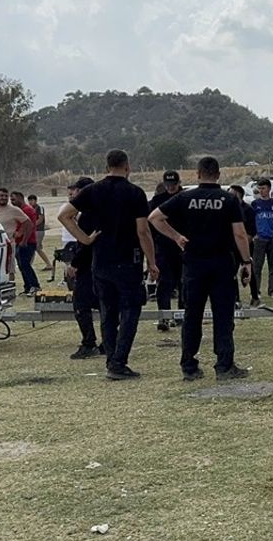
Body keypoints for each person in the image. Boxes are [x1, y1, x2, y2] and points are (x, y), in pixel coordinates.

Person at [148, 156, 252, 382]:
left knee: (192, 315)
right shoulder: (229, 199)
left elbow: (154, 217)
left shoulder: (185, 197)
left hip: (194, 264)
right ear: (218, 174)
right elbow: (240, 234)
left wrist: (176, 237)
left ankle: (189, 365)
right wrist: (246, 262)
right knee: (223, 316)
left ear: (197, 174)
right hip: (221, 263)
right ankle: (224, 365)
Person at [59, 149, 158, 381]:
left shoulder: (93, 190)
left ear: (106, 167)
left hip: (100, 261)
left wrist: (84, 239)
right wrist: (152, 261)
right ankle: (119, 361)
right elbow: (142, 231)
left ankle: (111, 358)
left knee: (108, 312)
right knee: (131, 310)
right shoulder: (135, 193)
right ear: (128, 166)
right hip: (127, 260)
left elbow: (64, 215)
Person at [62, 177, 101, 359]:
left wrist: (75, 264)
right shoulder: (100, 211)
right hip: (102, 264)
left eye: (77, 191)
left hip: (88, 267)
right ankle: (108, 341)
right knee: (104, 304)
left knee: (81, 305)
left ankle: (89, 342)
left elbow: (86, 245)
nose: (74, 194)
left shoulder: (87, 216)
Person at [150, 171, 184, 331]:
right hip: (163, 248)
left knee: (184, 283)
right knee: (164, 283)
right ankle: (164, 316)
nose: (171, 188)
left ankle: (182, 315)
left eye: (174, 185)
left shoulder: (185, 199)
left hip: (183, 248)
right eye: (168, 185)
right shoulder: (156, 201)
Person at [250, 179, 273, 303]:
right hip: (260, 239)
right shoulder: (255, 204)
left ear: (269, 189)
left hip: (272, 239)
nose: (261, 191)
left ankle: (272, 290)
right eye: (260, 188)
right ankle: (256, 291)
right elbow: (251, 220)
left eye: (263, 188)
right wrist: (255, 234)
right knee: (257, 267)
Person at [0, 188, 28, 283]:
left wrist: (19, 233)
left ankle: (10, 289)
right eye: (1, 196)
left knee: (10, 269)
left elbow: (27, 222)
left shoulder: (14, 210)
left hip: (9, 244)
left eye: (6, 196)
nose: (4, 198)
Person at [10, 191, 41, 296]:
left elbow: (29, 226)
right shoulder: (20, 210)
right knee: (22, 265)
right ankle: (27, 287)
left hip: (27, 242)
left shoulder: (27, 210)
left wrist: (24, 240)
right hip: (20, 242)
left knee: (25, 265)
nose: (12, 201)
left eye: (13, 199)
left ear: (20, 198)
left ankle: (35, 285)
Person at [26, 194, 53, 272]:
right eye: (29, 200)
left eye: (32, 200)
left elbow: (40, 219)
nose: (31, 202)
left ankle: (48, 264)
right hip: (33, 230)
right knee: (33, 247)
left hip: (39, 230)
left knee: (37, 248)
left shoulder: (39, 208)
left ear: (35, 200)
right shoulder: (30, 209)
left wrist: (32, 225)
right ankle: (29, 264)